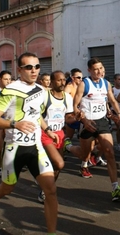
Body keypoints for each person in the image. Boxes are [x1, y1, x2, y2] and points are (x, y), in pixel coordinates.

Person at [0, 52, 58, 234]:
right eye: (28, 67)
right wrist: (14, 124)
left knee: (50, 190)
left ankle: (51, 232)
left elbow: (37, 115)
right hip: (14, 148)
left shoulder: (41, 90)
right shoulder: (10, 90)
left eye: (37, 67)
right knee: (7, 189)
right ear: (19, 70)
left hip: (35, 147)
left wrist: (48, 130)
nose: (34, 71)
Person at [70, 58, 120, 201]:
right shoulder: (85, 84)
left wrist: (119, 114)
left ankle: (116, 188)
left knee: (110, 152)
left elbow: (112, 100)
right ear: (89, 70)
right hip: (88, 123)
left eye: (101, 68)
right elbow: (74, 106)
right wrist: (83, 120)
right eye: (96, 69)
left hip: (102, 122)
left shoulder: (106, 83)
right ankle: (69, 147)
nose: (99, 71)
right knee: (84, 154)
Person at [37, 70, 77, 203]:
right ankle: (46, 188)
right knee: (59, 163)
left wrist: (77, 117)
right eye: (59, 80)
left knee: (57, 166)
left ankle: (46, 188)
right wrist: (47, 130)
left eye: (63, 80)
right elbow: (36, 115)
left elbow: (68, 118)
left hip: (59, 133)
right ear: (52, 82)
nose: (62, 82)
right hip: (45, 133)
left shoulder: (68, 97)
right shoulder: (44, 96)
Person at [111, 73, 120, 151]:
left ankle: (112, 129)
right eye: (119, 79)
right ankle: (119, 144)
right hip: (115, 110)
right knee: (119, 127)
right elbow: (110, 101)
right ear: (115, 80)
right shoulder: (112, 89)